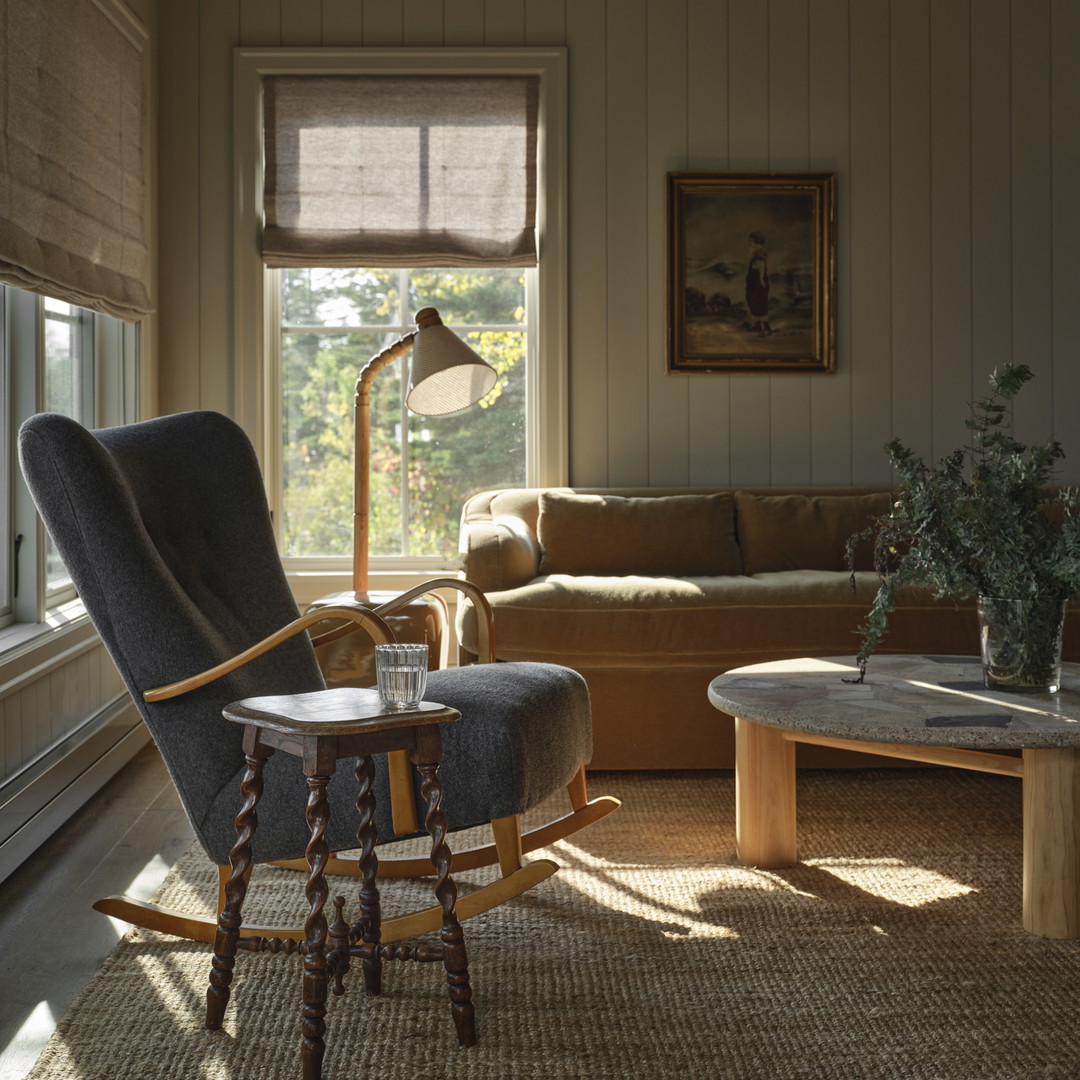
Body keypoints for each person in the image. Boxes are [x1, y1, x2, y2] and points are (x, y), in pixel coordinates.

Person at [744, 231, 772, 336]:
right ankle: (757, 326)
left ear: (755, 240)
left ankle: (767, 329)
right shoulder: (758, 251)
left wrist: (761, 280)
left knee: (760, 303)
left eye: (750, 240)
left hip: (757, 282)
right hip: (754, 281)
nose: (749, 242)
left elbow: (761, 265)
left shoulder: (759, 252)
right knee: (755, 301)